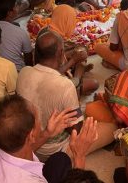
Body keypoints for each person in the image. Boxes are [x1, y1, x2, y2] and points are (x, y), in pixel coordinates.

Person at [17, 31, 116, 160]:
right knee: (113, 128)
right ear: (60, 53)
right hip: (54, 151)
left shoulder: (24, 72)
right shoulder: (65, 85)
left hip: (28, 144)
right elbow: (76, 131)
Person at [0, 95, 98, 182]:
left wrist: (47, 133)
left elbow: (19, 149)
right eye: (38, 119)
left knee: (60, 160)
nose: (40, 122)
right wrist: (79, 156)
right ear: (31, 135)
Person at [38, 5, 99, 96]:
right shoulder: (53, 39)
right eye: (71, 19)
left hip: (50, 71)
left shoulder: (46, 30)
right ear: (65, 20)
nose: (73, 22)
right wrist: (73, 60)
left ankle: (78, 75)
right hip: (52, 83)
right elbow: (52, 74)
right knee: (94, 84)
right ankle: (76, 81)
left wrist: (71, 54)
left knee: (81, 49)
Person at [0, 0, 33, 71]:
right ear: (10, 13)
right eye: (16, 6)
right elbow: (29, 62)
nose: (18, 8)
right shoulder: (21, 32)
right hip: (17, 72)